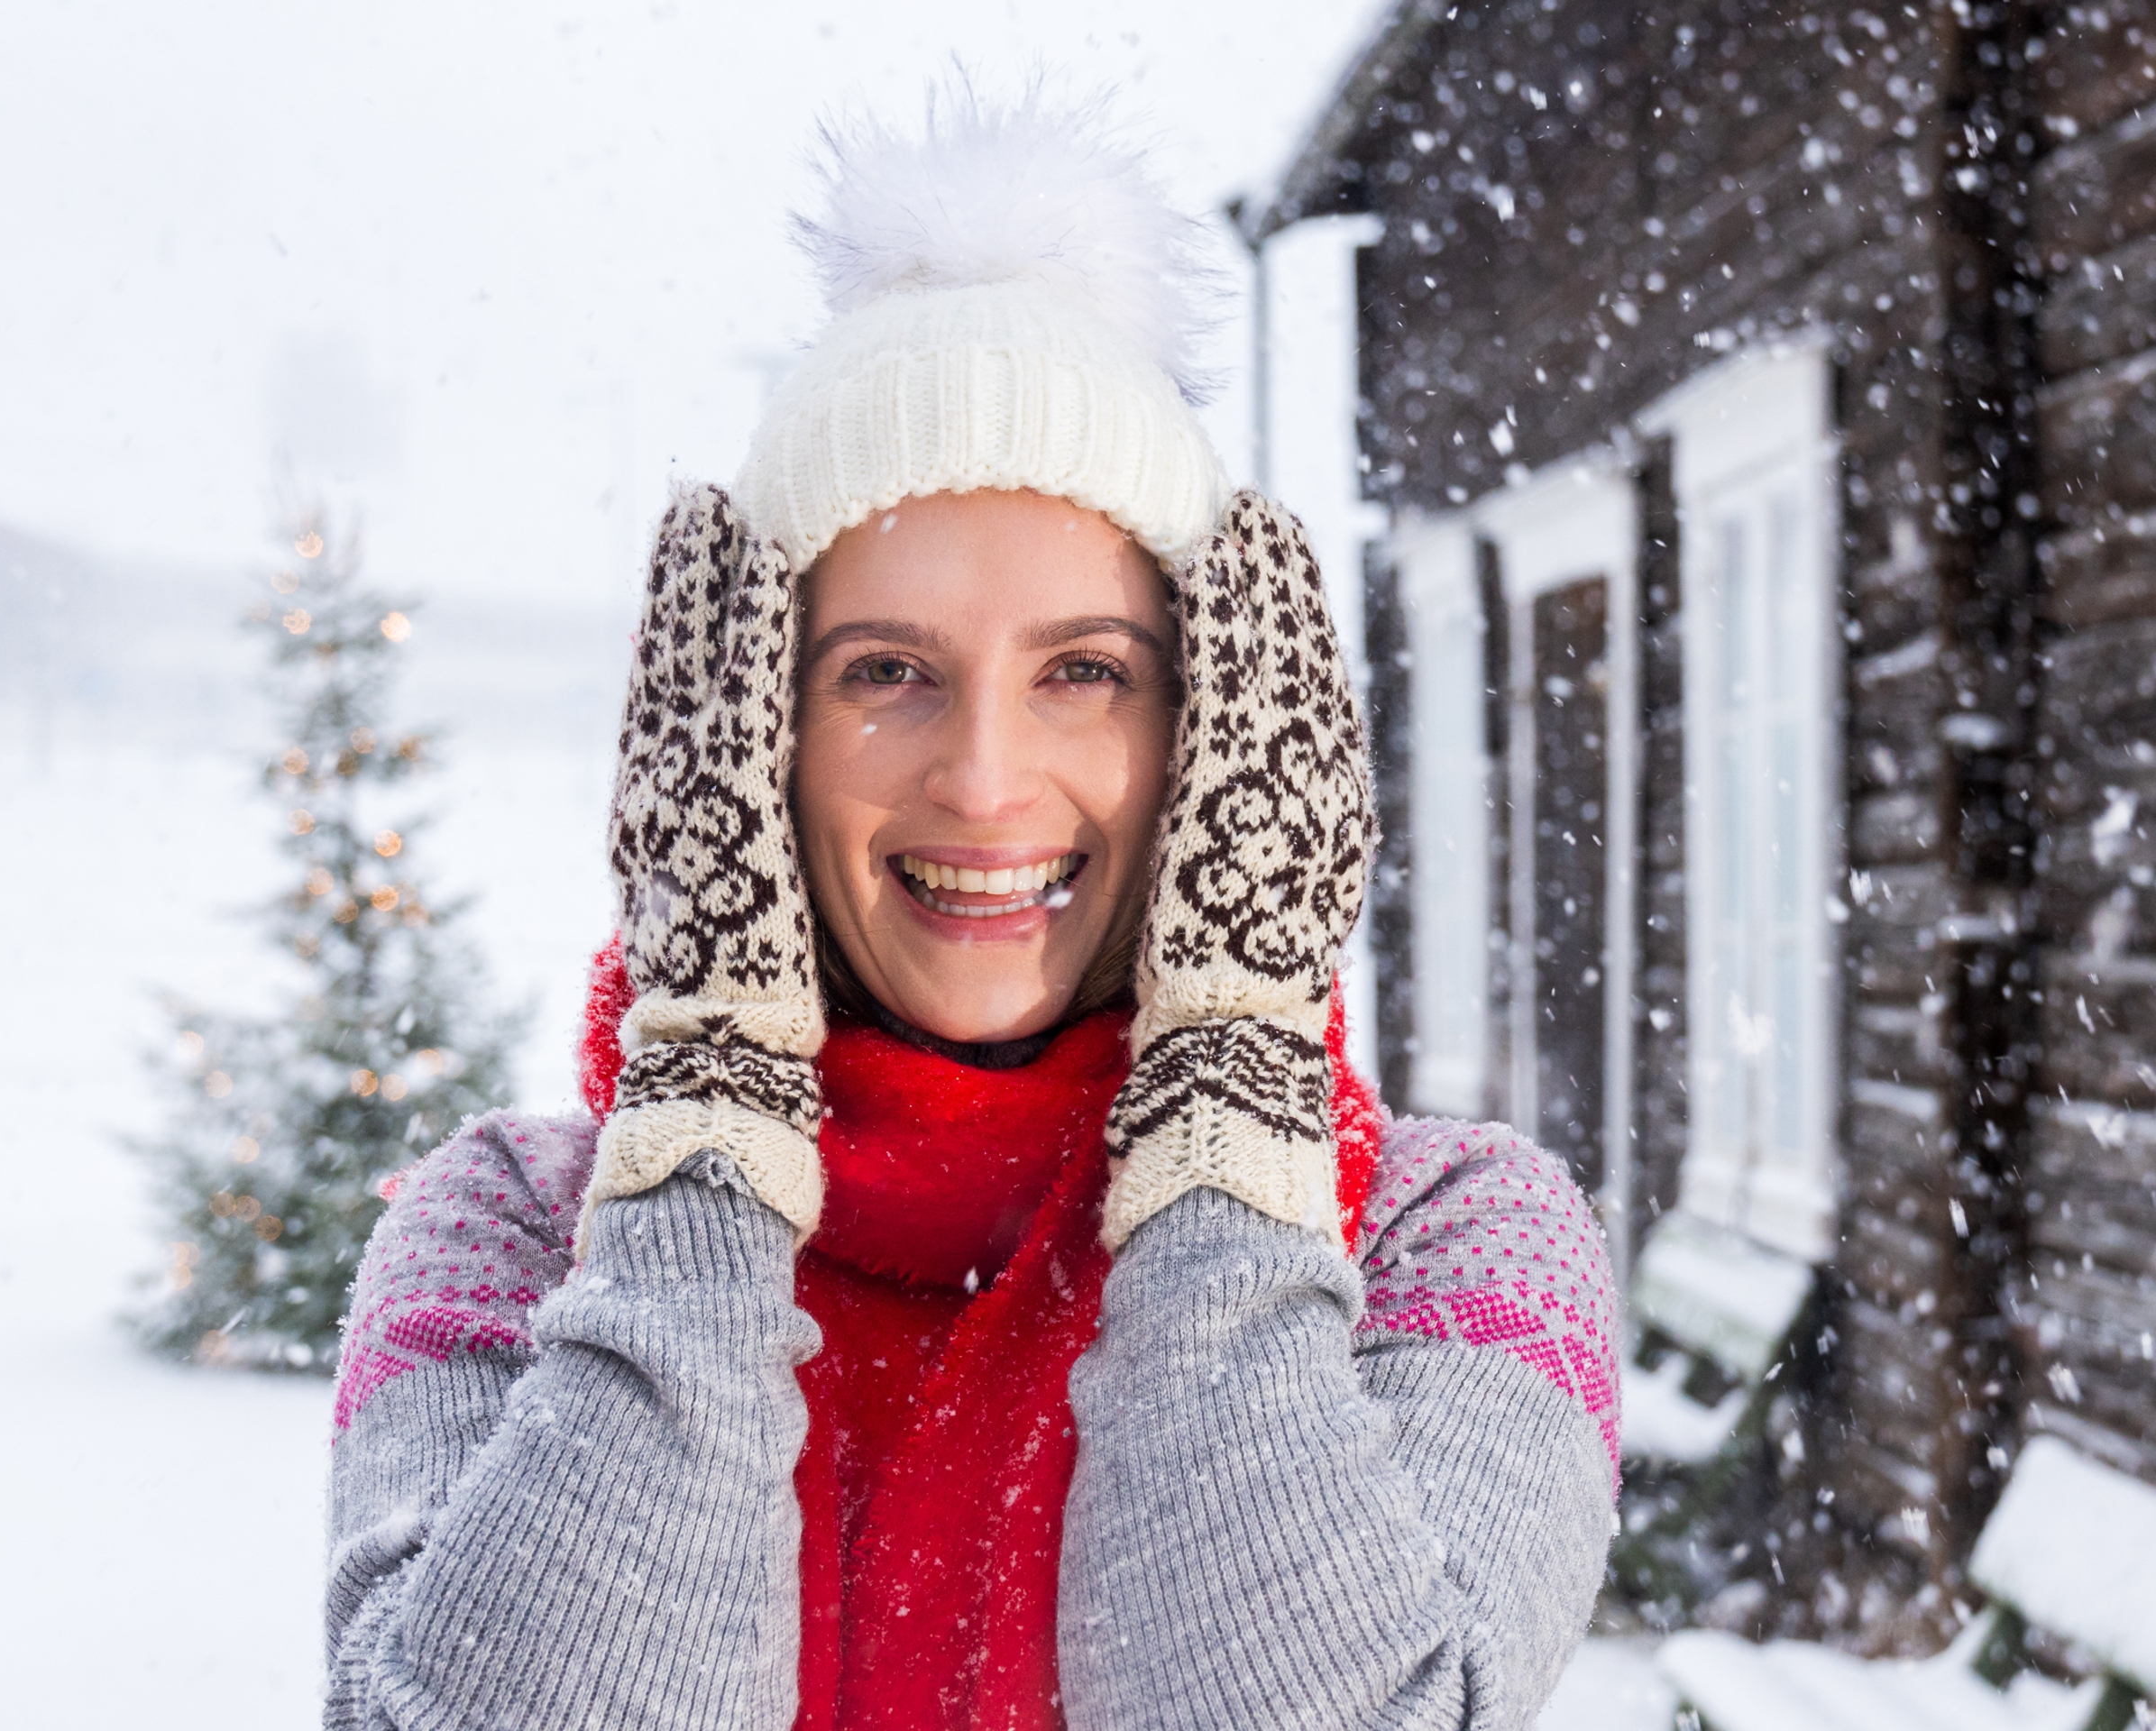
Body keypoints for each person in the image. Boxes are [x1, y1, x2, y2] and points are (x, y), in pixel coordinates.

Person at [320, 91, 1619, 1731]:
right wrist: (713, 1099)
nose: (988, 781)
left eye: (1086, 673)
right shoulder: (515, 1235)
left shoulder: (1453, 1245)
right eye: (886, 675)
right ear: (746, 736)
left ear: (1219, 728)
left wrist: (1230, 1079)